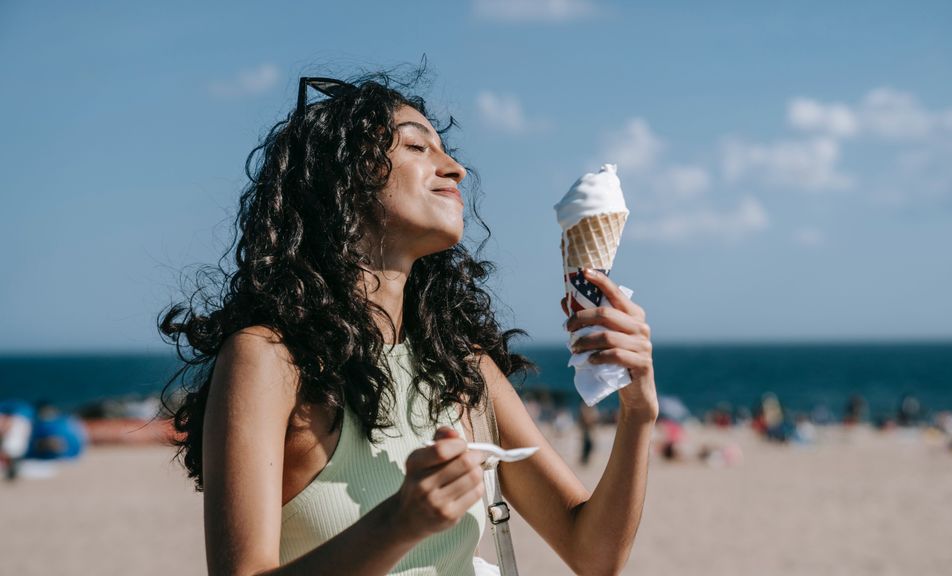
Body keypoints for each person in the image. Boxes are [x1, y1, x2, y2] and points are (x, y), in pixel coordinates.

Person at [159, 70, 658, 576]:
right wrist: (399, 522)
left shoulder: (463, 368)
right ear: (343, 180)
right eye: (418, 148)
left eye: (445, 150)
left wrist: (638, 411)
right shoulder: (268, 358)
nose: (456, 168)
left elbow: (594, 555)